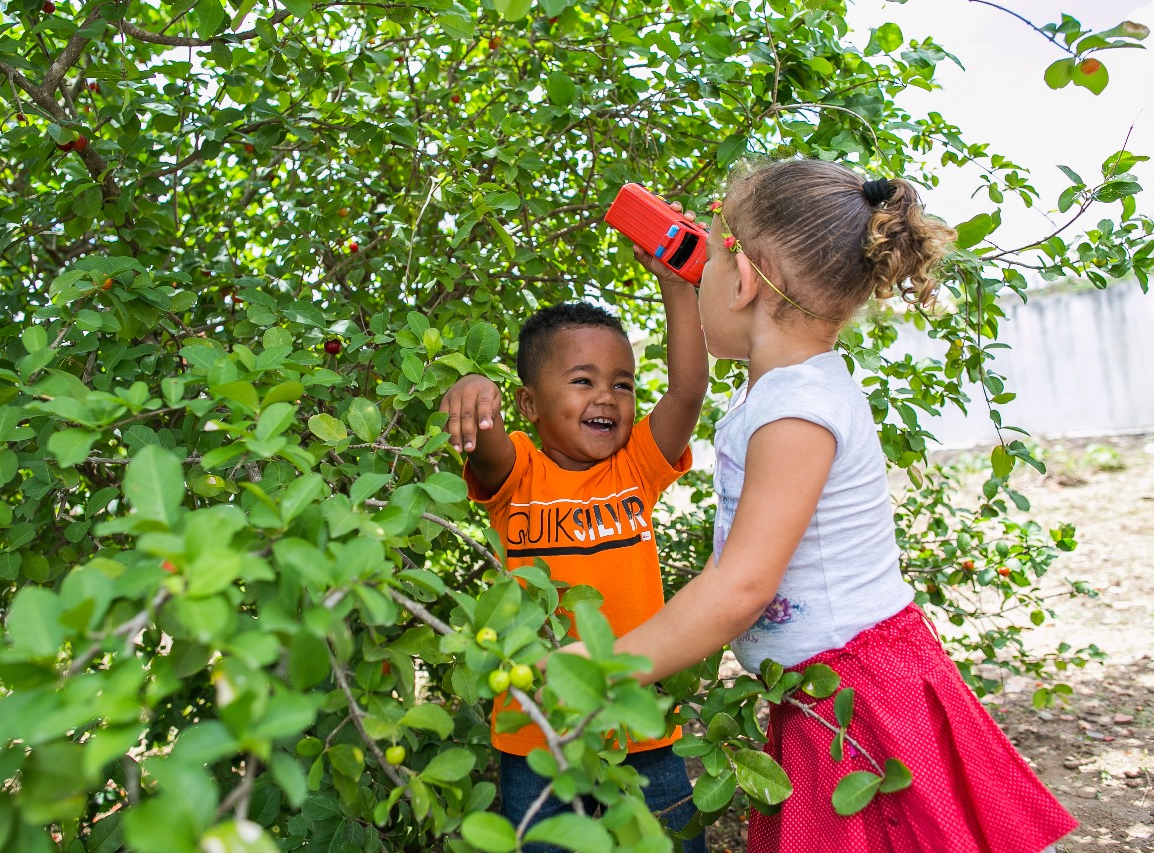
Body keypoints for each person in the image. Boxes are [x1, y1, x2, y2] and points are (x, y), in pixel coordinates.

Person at [557, 158, 1078, 852]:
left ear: (743, 279)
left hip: (856, 697)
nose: (697, 275)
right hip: (834, 685)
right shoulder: (789, 388)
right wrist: (686, 279)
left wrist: (603, 668)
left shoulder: (796, 412)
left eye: (707, 264)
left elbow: (741, 584)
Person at [440, 260, 709, 850]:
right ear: (529, 405)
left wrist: (676, 287)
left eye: (623, 383)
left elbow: (688, 390)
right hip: (539, 739)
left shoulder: (635, 468)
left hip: (641, 729)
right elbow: (485, 444)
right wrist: (474, 393)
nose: (607, 398)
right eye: (583, 381)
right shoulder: (518, 472)